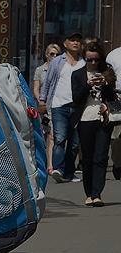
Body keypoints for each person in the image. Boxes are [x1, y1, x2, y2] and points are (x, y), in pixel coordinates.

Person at [71, 43, 116, 207]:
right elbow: (76, 99)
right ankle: (89, 193)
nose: (93, 63)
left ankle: (97, 194)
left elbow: (112, 98)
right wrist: (88, 85)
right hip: (85, 119)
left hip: (104, 119)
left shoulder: (108, 72)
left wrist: (105, 84)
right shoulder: (77, 74)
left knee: (101, 157)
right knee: (88, 158)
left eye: (96, 59)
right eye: (89, 59)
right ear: (84, 58)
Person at [41, 32, 86, 183]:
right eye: (72, 40)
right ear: (65, 44)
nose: (75, 43)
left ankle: (69, 172)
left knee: (74, 143)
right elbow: (48, 82)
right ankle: (58, 169)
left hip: (78, 106)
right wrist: (42, 100)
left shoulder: (83, 62)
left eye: (78, 40)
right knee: (59, 138)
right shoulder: (57, 62)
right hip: (59, 105)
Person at [34, 43, 62, 174]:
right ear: (46, 55)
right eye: (52, 54)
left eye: (57, 54)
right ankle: (40, 161)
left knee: (52, 136)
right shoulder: (40, 70)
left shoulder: (62, 69)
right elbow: (36, 88)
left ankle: (50, 165)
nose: (54, 56)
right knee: (42, 135)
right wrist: (41, 101)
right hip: (43, 106)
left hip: (56, 105)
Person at [106, 44, 121, 180]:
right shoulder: (113, 55)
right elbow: (107, 76)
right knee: (117, 136)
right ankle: (118, 163)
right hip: (117, 97)